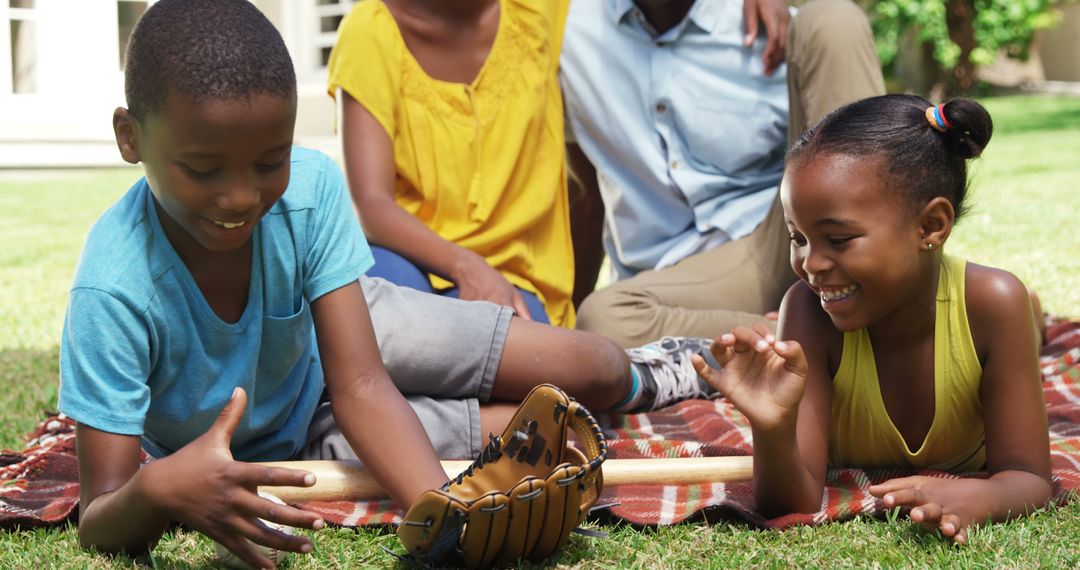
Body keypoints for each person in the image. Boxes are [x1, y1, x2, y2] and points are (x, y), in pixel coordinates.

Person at [58, 1, 715, 567]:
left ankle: (660, 375)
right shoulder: (113, 290)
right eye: (203, 169)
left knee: (588, 366)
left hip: (340, 339)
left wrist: (443, 514)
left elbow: (361, 383)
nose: (239, 197)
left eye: (268, 162)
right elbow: (102, 514)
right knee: (558, 431)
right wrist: (160, 490)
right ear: (129, 137)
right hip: (292, 444)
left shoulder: (310, 191)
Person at [692, 94, 1052, 543]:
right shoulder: (806, 311)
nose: (811, 264)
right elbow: (793, 503)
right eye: (797, 237)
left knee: (1023, 317)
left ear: (931, 226)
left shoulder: (993, 306)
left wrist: (979, 497)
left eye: (838, 239)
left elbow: (1030, 478)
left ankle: (1034, 319)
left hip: (993, 309)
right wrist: (772, 427)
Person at [560, 0, 886, 347]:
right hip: (670, 285)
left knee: (833, 20)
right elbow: (581, 191)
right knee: (603, 320)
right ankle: (812, 337)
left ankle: (877, 300)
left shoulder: (759, 22)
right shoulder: (568, 33)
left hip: (782, 240)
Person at [326, 0, 575, 326]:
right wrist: (466, 266)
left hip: (516, 276)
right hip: (407, 258)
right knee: (371, 299)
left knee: (495, 341)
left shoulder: (534, 11)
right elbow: (372, 205)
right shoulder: (370, 30)